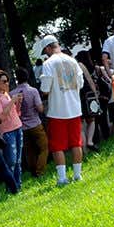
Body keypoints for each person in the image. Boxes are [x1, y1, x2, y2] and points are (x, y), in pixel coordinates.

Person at [36, 35, 85, 186]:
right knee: (76, 143)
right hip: (74, 108)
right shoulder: (72, 60)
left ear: (48, 48)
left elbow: (45, 88)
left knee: (58, 146)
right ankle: (77, 175)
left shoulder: (48, 63)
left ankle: (62, 178)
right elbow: (81, 83)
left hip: (57, 110)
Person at [0, 69, 24, 187]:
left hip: (17, 127)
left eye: (8, 81)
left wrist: (18, 103)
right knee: (11, 160)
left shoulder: (6, 94)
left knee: (18, 160)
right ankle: (11, 185)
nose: (7, 83)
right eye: (4, 81)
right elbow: (1, 116)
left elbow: (17, 113)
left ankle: (18, 184)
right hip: (7, 131)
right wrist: (12, 101)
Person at [11, 68, 48, 178]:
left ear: (17, 79)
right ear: (27, 77)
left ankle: (32, 171)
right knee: (44, 147)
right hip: (35, 124)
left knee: (29, 151)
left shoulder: (12, 93)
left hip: (22, 127)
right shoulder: (33, 91)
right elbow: (40, 108)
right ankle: (39, 171)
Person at [73, 51, 102, 151]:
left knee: (80, 125)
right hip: (87, 95)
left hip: (76, 98)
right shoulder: (80, 65)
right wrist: (95, 94)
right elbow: (89, 80)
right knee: (91, 120)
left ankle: (84, 149)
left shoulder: (63, 69)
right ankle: (90, 141)